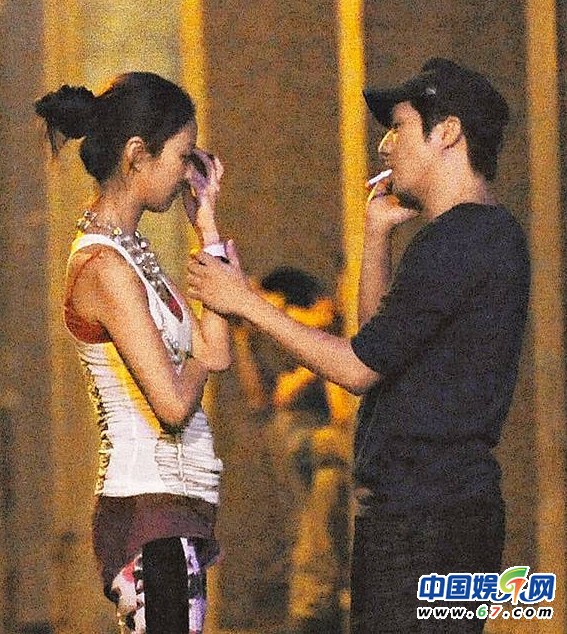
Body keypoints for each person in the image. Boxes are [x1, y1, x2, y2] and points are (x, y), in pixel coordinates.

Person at [185, 58, 531, 633]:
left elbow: (358, 369)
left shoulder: (458, 240)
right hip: (440, 514)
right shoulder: (482, 234)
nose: (384, 146)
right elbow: (375, 346)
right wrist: (376, 236)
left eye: (398, 126)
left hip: (423, 522)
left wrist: (245, 301)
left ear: (448, 133)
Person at [35, 72, 231, 634]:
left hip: (171, 510)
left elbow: (217, 349)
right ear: (137, 154)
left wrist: (208, 227)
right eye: (183, 156)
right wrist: (201, 359)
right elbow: (174, 404)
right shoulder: (105, 268)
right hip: (147, 511)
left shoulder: (133, 254)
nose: (189, 173)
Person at [232, 267, 351, 633]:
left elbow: (324, 318)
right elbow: (266, 398)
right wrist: (245, 336)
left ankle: (313, 606)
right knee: (330, 475)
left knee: (322, 506)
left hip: (317, 433)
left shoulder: (294, 310)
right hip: (296, 432)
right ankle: (313, 605)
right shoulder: (259, 334)